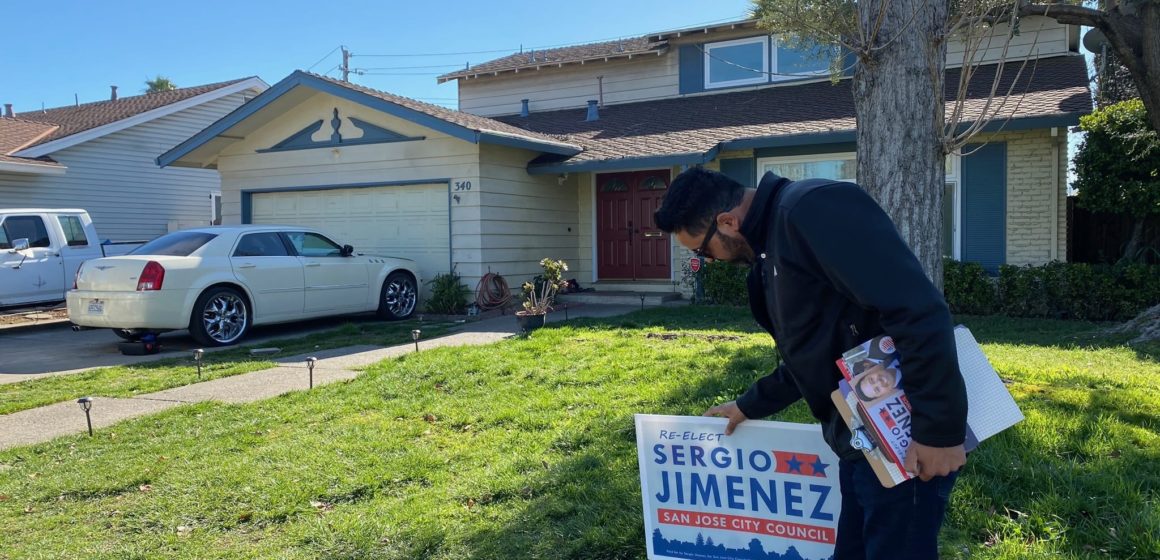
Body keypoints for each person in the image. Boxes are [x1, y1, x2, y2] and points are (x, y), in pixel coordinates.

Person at [653, 167, 968, 560]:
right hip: (860, 440)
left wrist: (939, 432)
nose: (710, 261)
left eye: (702, 250)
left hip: (905, 439)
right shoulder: (771, 246)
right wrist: (749, 404)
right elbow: (814, 352)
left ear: (728, 222)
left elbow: (917, 310)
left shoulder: (812, 209)